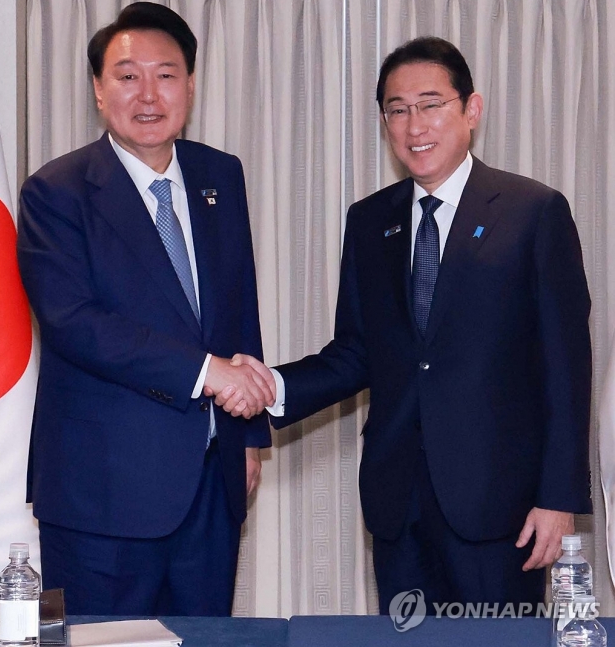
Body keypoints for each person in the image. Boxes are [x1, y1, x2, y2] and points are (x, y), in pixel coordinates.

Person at [229, 37, 592, 614]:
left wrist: (559, 497)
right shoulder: (371, 220)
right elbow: (356, 352)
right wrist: (273, 386)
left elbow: (566, 367)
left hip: (501, 507)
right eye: (397, 109)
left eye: (430, 104)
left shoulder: (532, 212)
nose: (414, 124)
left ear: (471, 110)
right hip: (399, 504)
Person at [17, 2, 275, 617]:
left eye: (167, 73)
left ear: (190, 84)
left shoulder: (221, 175)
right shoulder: (56, 191)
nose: (149, 94)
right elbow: (75, 324)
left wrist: (246, 439)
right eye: (128, 76)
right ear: (99, 91)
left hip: (210, 488)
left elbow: (238, 308)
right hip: (101, 493)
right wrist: (208, 371)